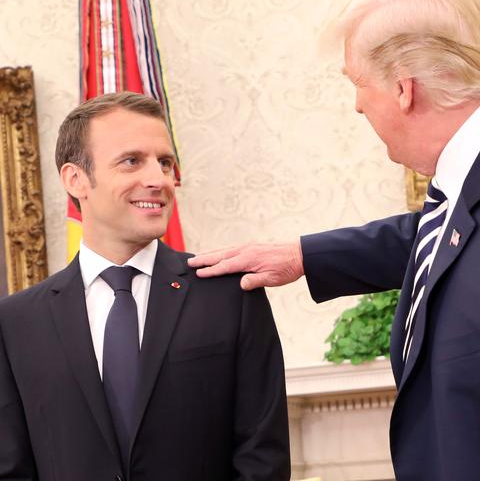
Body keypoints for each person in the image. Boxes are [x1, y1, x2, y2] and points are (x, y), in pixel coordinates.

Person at [189, 0, 480, 479]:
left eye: (358, 84)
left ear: (404, 89)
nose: (357, 106)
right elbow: (465, 232)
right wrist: (304, 256)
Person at [0, 92, 290, 481]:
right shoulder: (15, 322)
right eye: (132, 161)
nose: (159, 180)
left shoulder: (230, 294)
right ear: (76, 179)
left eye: (165, 163)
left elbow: (262, 459)